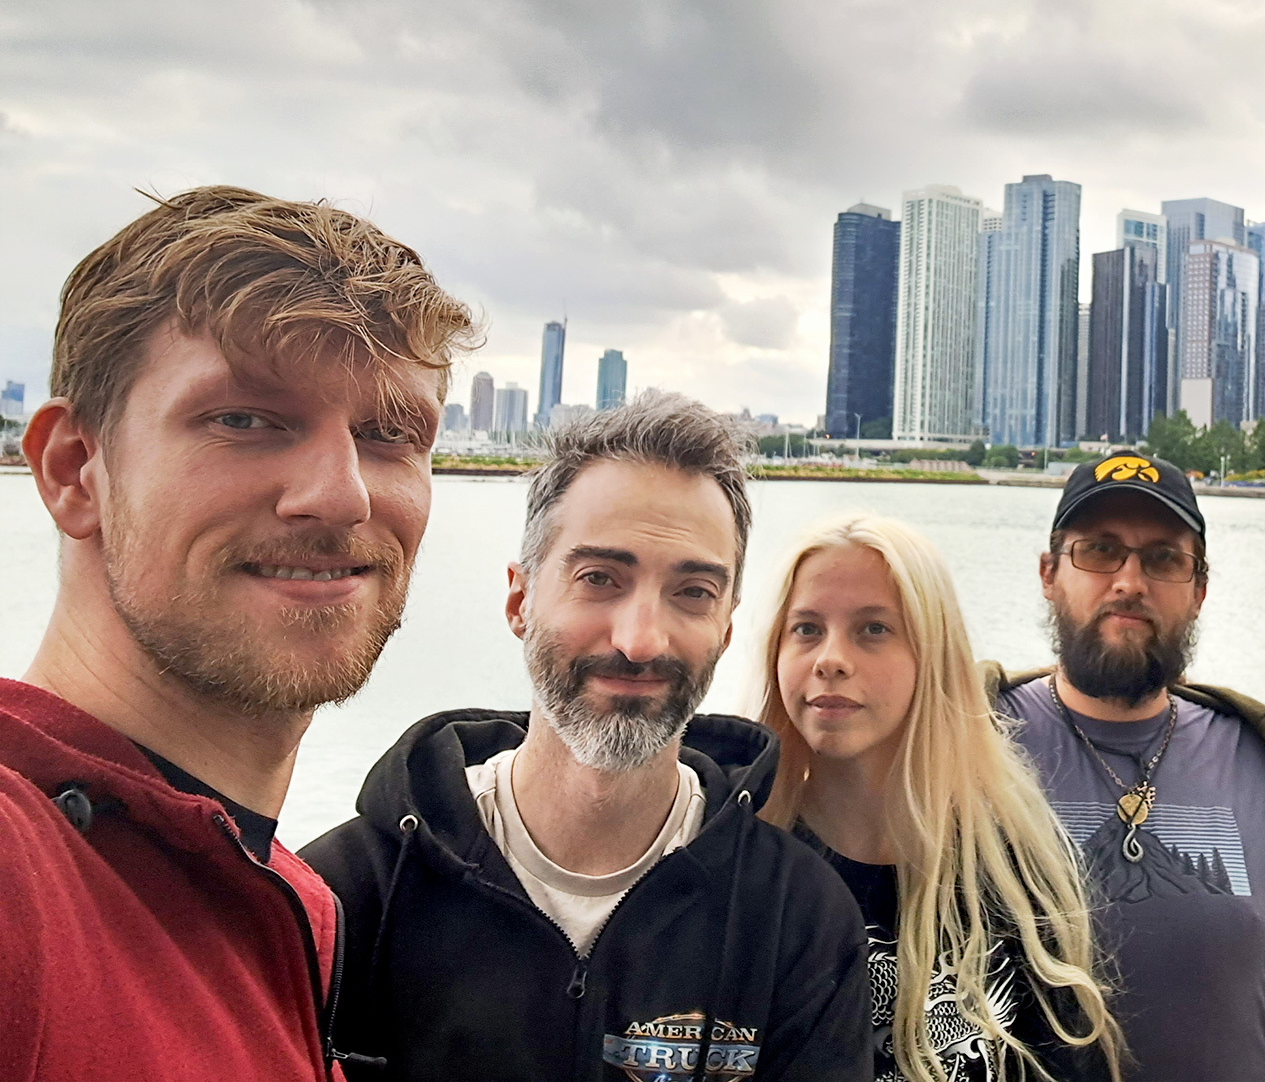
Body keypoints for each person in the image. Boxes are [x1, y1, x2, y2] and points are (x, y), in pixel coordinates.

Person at [1, 187, 477, 1081]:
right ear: (73, 470)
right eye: (244, 420)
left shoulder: (290, 902)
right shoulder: (19, 875)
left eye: (388, 433)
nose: (340, 495)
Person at [302, 394, 873, 1081]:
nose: (640, 641)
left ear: (726, 628)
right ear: (520, 600)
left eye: (692, 591)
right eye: (599, 579)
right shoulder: (345, 898)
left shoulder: (797, 919)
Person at [986, 451, 1265, 1082]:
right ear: (1049, 573)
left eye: (1163, 559)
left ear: (1199, 589)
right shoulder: (971, 743)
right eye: (1100, 551)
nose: (1129, 582)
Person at [759, 514, 1125, 1082]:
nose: (831, 658)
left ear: (933, 656)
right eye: (806, 628)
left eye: (873, 629)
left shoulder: (1016, 871)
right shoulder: (742, 863)